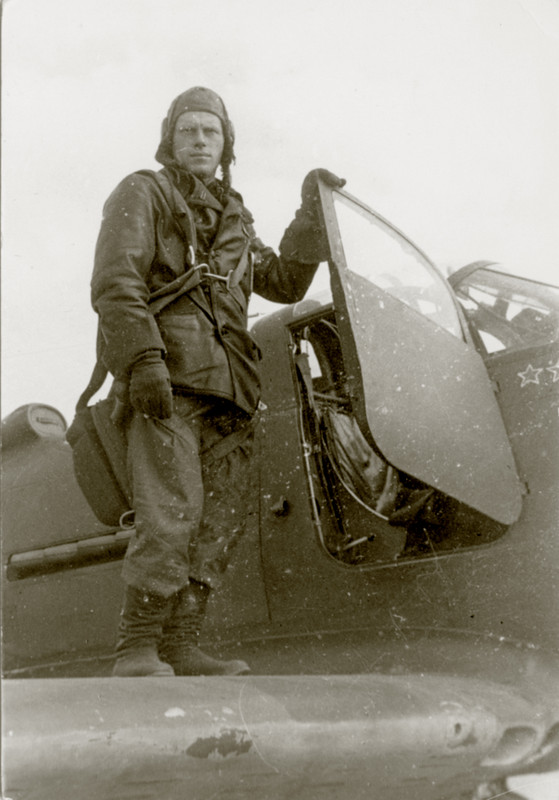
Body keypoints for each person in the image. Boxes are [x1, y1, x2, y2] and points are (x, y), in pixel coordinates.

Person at [90, 86, 345, 677]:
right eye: (188, 131)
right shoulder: (143, 192)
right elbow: (115, 282)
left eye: (211, 131)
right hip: (168, 383)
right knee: (172, 511)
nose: (200, 140)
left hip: (233, 389)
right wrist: (145, 360)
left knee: (218, 522)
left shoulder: (234, 215)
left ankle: (180, 643)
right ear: (170, 140)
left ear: (226, 143)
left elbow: (281, 282)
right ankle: (136, 649)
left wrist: (310, 216)